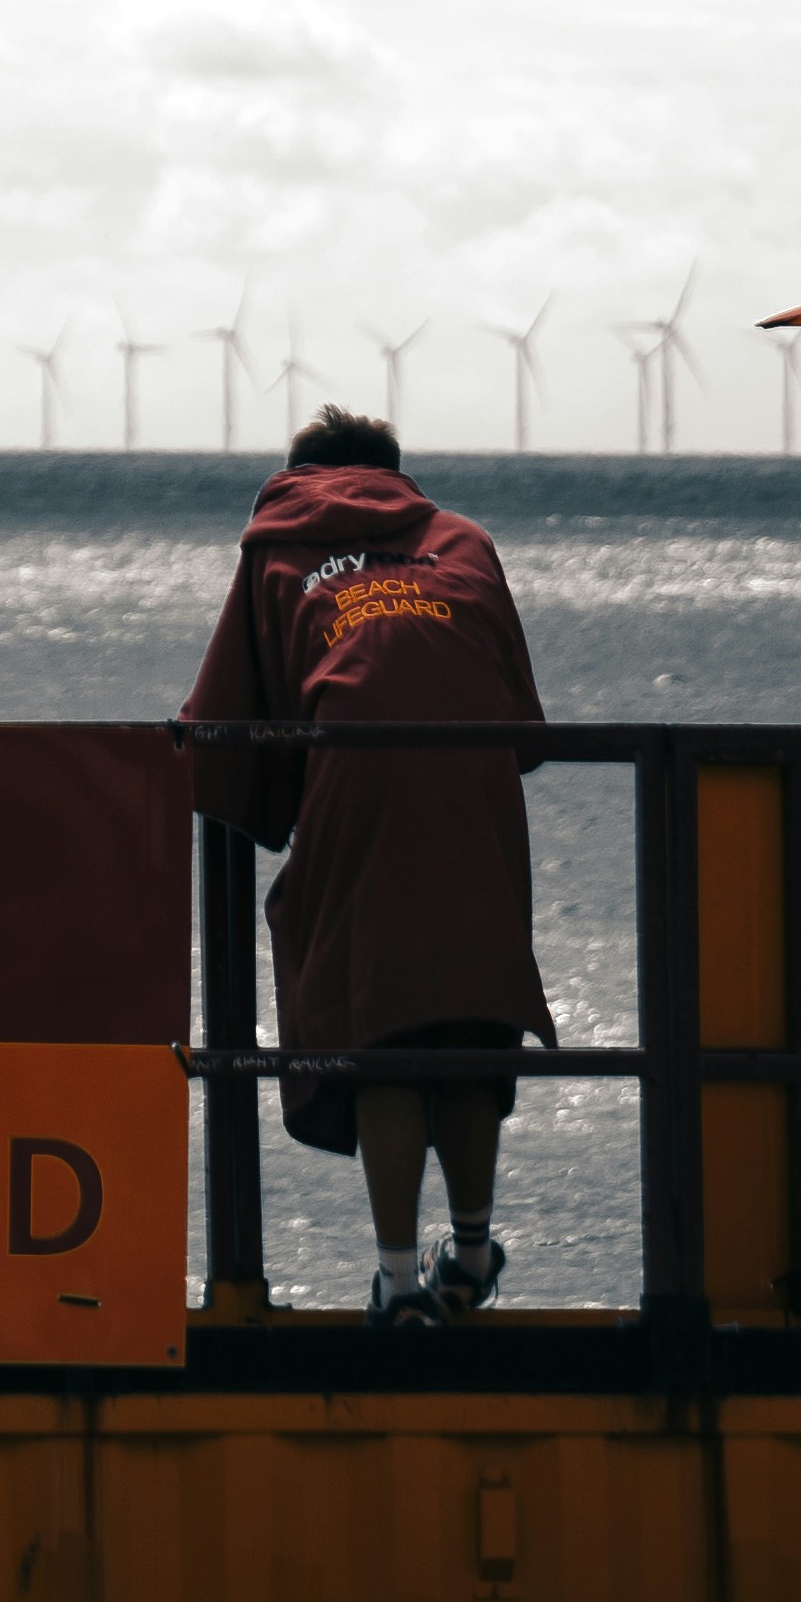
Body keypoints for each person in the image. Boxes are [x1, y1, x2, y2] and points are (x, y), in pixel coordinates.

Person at [181, 400, 553, 1328]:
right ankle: (469, 1258)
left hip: (357, 783)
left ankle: (396, 1283)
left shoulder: (275, 548)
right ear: (395, 471)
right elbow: (522, 720)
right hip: (474, 792)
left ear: (297, 475)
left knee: (383, 1029)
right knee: (468, 1019)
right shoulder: (463, 539)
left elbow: (221, 721)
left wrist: (260, 810)